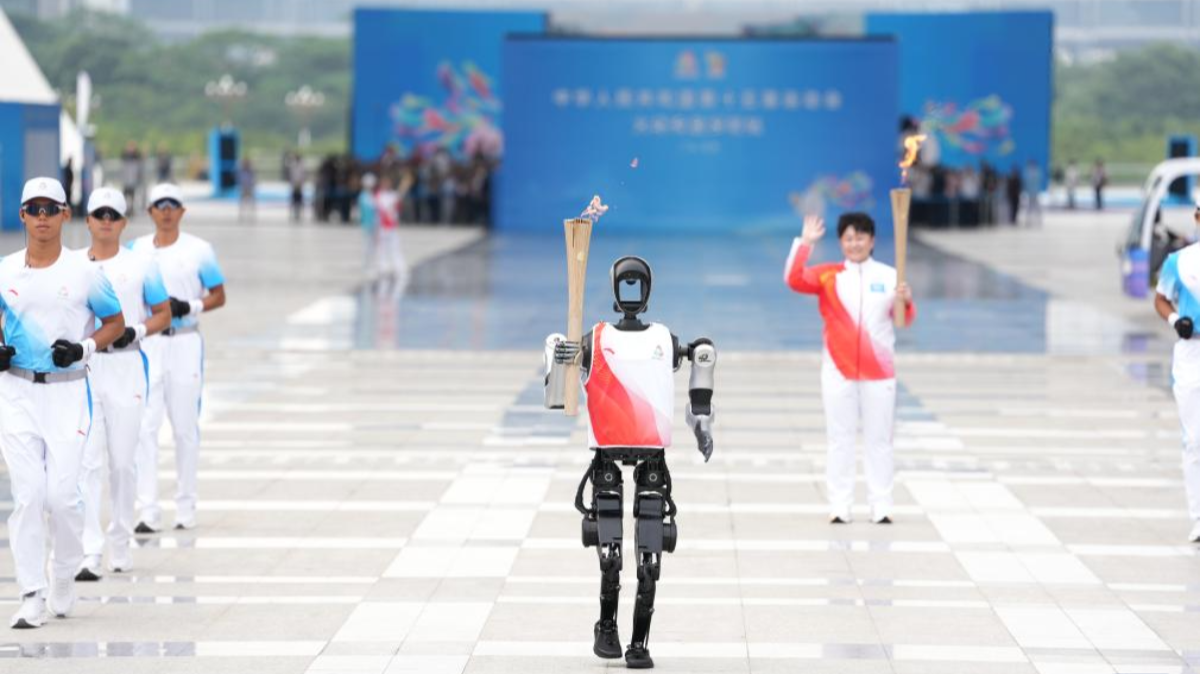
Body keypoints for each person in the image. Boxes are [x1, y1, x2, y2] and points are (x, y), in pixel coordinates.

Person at [545, 256, 716, 669]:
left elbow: (703, 358)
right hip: (607, 450)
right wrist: (558, 354)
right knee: (611, 555)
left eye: (637, 284)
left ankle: (639, 641)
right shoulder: (594, 338)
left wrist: (701, 421)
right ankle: (607, 625)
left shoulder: (663, 339)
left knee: (649, 558)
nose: (632, 292)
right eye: (627, 283)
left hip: (651, 452)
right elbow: (555, 394)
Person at [0, 177, 124, 628]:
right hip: (16, 392)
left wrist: (84, 348)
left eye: (51, 209)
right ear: (22, 215)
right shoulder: (4, 271)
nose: (42, 217)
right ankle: (31, 593)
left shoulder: (85, 272)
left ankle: (64, 573)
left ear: (65, 215)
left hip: (69, 391)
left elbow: (115, 322)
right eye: (34, 209)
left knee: (64, 498)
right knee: (29, 495)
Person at [784, 213, 915, 524]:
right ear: (841, 242)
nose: (855, 243)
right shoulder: (830, 275)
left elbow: (904, 320)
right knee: (839, 439)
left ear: (872, 240)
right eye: (849, 238)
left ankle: (881, 505)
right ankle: (840, 505)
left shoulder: (890, 276)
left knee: (879, 440)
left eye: (860, 237)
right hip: (838, 370)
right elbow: (794, 279)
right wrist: (805, 243)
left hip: (879, 372)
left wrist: (906, 301)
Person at [75, 188, 172, 581]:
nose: (106, 221)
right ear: (87, 220)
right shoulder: (72, 265)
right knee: (87, 461)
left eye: (113, 215)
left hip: (127, 366)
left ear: (123, 222)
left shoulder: (142, 265)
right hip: (86, 368)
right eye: (99, 214)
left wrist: (138, 330)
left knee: (122, 461)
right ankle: (89, 550)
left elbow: (164, 313)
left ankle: (119, 540)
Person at [132, 184, 227, 533]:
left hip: (185, 342)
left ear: (182, 211)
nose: (167, 211)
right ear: (150, 211)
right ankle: (148, 510)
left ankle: (186, 507)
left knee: (185, 427)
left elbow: (219, 294)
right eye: (160, 205)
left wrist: (191, 305)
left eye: (173, 205)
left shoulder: (199, 250)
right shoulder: (136, 251)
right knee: (145, 428)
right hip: (150, 344)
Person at [1153, 203, 1200, 543]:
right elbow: (1160, 299)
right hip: (1191, 354)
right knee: (1195, 440)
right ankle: (1199, 517)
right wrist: (1174, 320)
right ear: (1197, 218)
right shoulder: (1179, 262)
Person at [358, 172, 379, 277]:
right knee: (367, 246)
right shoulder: (363, 196)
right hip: (367, 225)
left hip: (375, 224)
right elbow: (364, 212)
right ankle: (366, 266)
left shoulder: (373, 196)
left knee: (373, 246)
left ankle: (372, 265)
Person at [1022, 159, 1043, 227]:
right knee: (1033, 207)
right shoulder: (1037, 172)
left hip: (1033, 191)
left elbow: (1026, 182)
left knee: (1033, 207)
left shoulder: (1029, 172)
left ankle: (1033, 220)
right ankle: (1033, 220)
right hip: (1033, 191)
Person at [237, 158, 256, 223]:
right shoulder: (242, 171)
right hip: (244, 188)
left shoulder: (250, 171)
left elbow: (253, 179)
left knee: (250, 202)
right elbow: (240, 179)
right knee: (243, 203)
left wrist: (252, 185)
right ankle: (242, 215)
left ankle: (250, 215)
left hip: (248, 188)